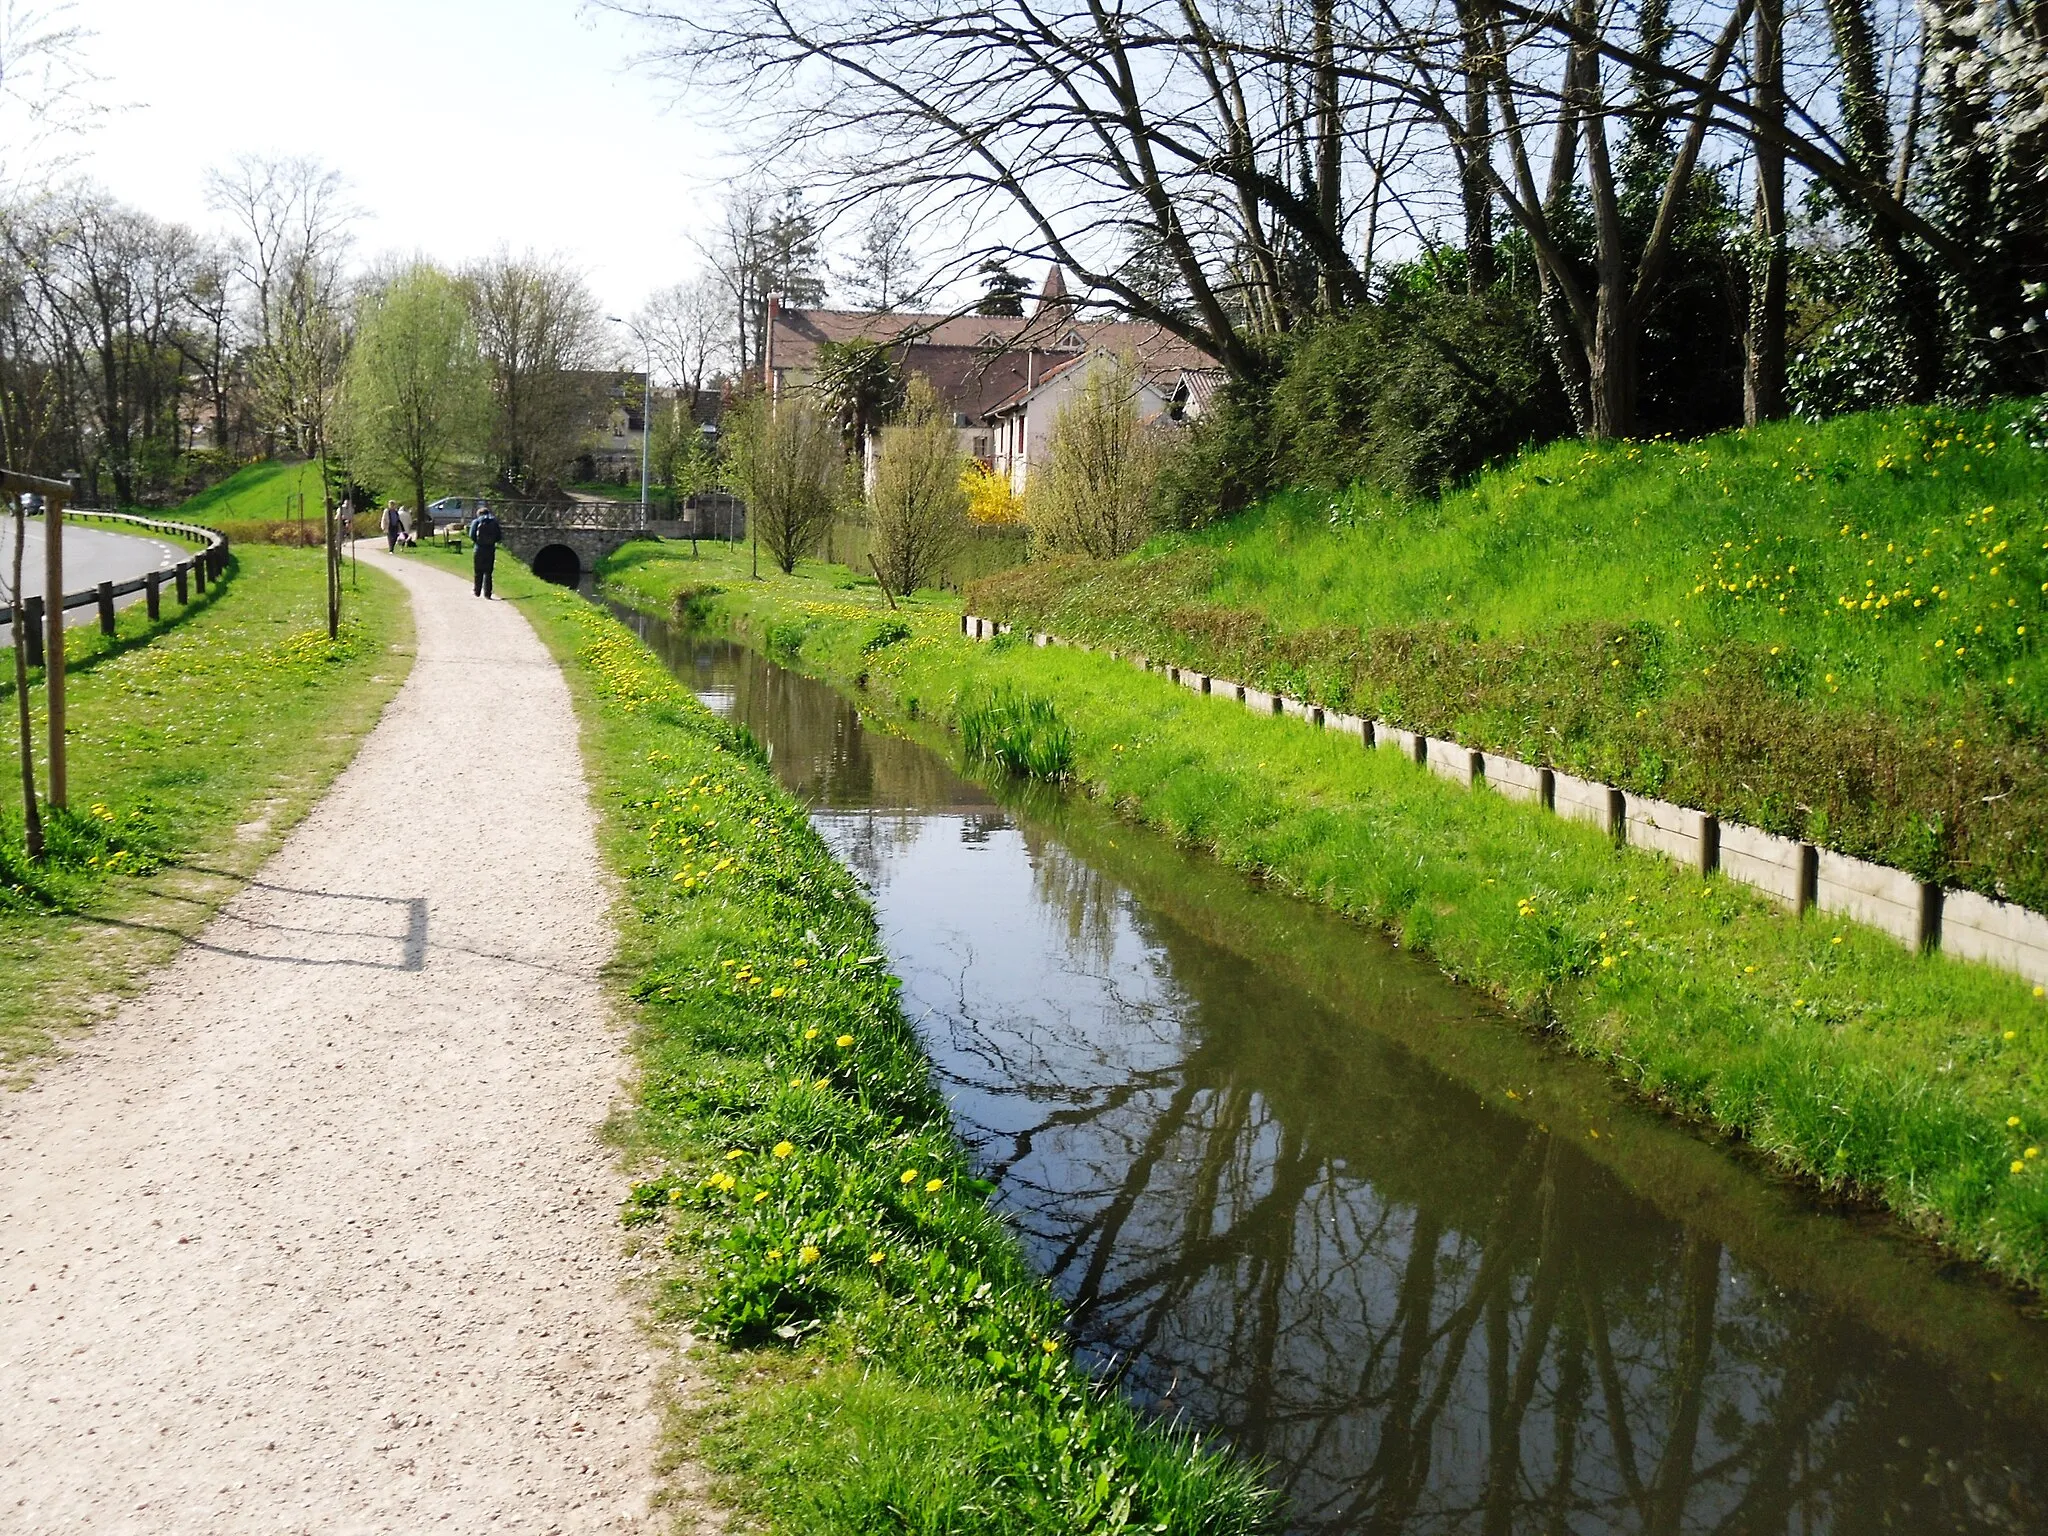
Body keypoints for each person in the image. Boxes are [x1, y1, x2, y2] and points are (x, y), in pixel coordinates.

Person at [468, 502, 503, 598]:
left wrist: (478, 542)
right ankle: (488, 593)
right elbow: (499, 536)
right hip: (490, 549)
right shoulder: (494, 522)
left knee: (478, 571)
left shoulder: (476, 522)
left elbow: (472, 535)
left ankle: (477, 591)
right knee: (488, 572)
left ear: (479, 514)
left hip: (479, 549)